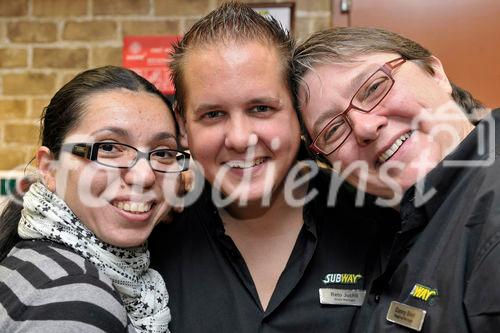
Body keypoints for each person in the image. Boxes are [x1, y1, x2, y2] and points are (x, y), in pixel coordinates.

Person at [149, 2, 396, 332]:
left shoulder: (377, 221)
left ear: (297, 111)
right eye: (212, 114)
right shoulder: (153, 233)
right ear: (183, 125)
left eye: (261, 108)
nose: (239, 138)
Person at [293, 26, 499, 332]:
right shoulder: (396, 222)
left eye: (374, 88)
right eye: (333, 130)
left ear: (434, 73)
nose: (364, 128)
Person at [0, 66, 190, 332]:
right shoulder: (74, 297)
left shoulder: (36, 264)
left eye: (162, 153)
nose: (144, 176)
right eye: (109, 147)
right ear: (49, 169)